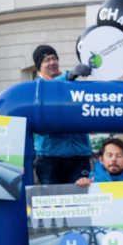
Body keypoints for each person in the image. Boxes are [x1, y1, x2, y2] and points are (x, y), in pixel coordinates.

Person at [30, 44, 93, 185]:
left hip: (79, 155)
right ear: (39, 67)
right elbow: (48, 90)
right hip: (49, 157)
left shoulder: (72, 83)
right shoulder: (37, 87)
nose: (52, 62)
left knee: (78, 203)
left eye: (54, 58)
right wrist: (69, 75)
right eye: (46, 60)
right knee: (51, 204)